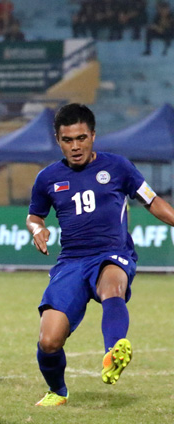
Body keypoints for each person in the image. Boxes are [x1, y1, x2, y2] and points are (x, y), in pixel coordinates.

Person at [27, 103, 174, 406]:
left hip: (112, 252)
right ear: (59, 141)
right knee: (49, 340)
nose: (75, 146)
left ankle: (113, 352)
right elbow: (34, 216)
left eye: (81, 138)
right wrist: (36, 229)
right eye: (68, 140)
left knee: (112, 285)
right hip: (71, 261)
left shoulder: (118, 167)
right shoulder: (47, 178)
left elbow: (152, 200)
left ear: (93, 136)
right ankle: (57, 391)